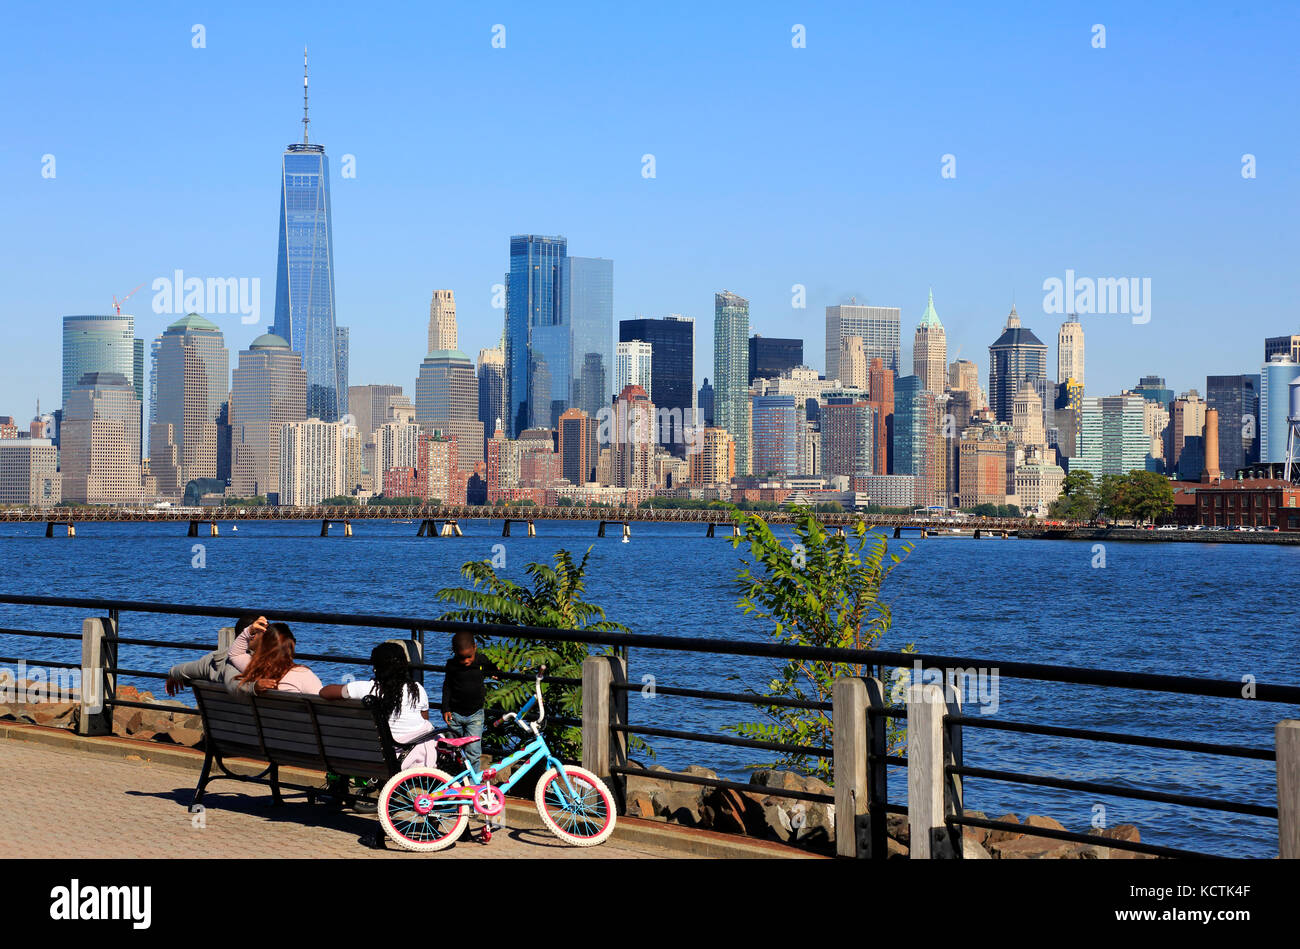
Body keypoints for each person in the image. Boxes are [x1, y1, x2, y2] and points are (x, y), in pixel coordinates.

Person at [319, 643, 438, 768]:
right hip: (413, 755)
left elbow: (325, 692)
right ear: (404, 666)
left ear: (376, 667)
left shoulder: (366, 688)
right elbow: (425, 719)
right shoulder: (417, 689)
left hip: (378, 756)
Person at [164, 614, 268, 696]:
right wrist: (253, 688)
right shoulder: (239, 662)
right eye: (265, 633)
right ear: (252, 635)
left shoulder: (213, 660)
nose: (269, 637)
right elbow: (232, 682)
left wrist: (173, 674)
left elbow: (186, 669)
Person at [440, 632, 498, 772]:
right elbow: (447, 686)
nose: (466, 661)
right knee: (452, 749)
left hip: (475, 715)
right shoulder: (452, 665)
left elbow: (493, 668)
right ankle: (453, 777)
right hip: (455, 714)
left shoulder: (481, 661)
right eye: (461, 657)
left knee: (473, 750)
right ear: (454, 652)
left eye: (469, 657)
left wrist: (495, 672)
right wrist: (445, 708)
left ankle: (472, 783)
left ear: (475, 648)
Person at [232, 622, 322, 695]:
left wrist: (249, 630)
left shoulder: (255, 669)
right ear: (292, 645)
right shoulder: (303, 674)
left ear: (262, 646)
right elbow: (321, 702)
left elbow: (234, 654)